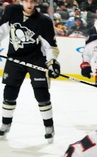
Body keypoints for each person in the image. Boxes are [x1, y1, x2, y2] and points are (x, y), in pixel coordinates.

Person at [0, 0, 60, 142]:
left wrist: (52, 62)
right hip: (15, 58)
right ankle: (5, 124)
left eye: (32, 1)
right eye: (26, 1)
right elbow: (1, 30)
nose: (29, 4)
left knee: (42, 94)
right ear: (22, 1)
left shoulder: (43, 21)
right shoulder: (11, 11)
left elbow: (51, 46)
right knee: (9, 93)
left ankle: (49, 126)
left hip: (36, 60)